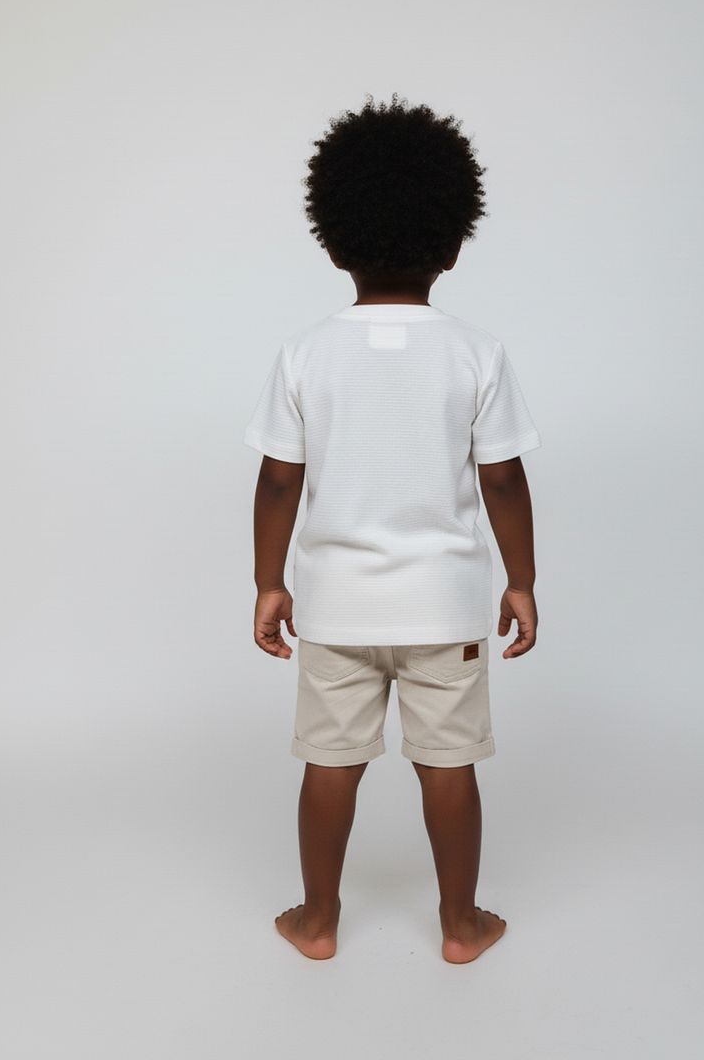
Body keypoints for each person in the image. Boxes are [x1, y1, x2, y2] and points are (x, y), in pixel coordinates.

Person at [244, 93, 541, 963]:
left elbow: (278, 479)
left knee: (329, 763)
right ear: (453, 245)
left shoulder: (304, 353)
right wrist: (522, 580)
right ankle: (460, 926)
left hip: (336, 608)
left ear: (333, 241)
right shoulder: (476, 352)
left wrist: (269, 582)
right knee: (448, 765)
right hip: (445, 609)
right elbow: (504, 478)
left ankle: (316, 922)